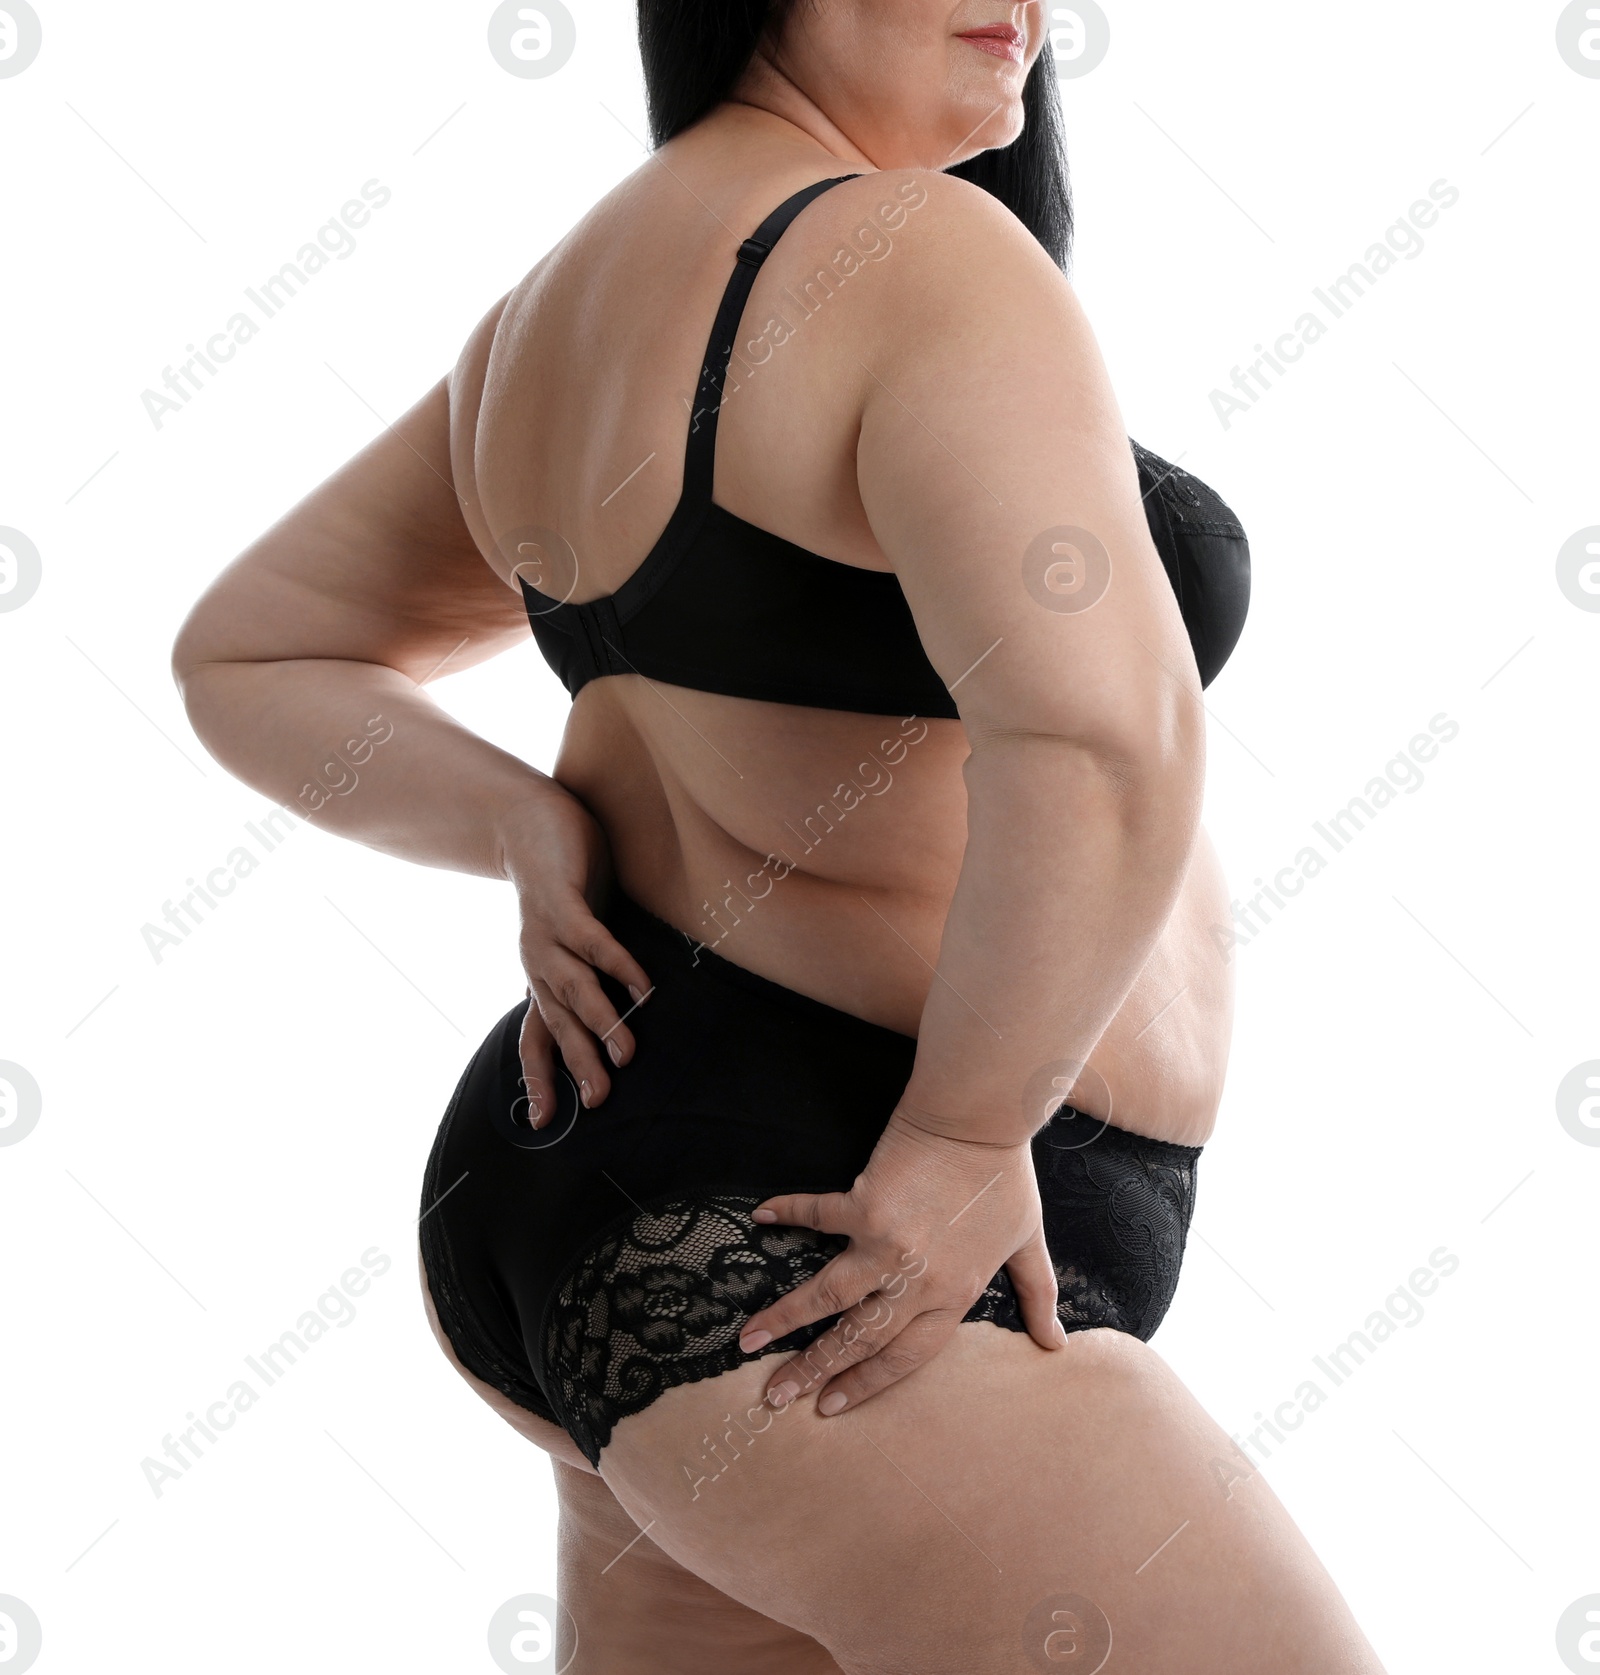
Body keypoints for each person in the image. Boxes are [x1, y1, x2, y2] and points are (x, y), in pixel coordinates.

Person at [172, 3, 1387, 1669]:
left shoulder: (550, 320)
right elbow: (1102, 743)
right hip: (827, 1219)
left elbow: (254, 652)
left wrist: (529, 824)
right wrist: (965, 1142)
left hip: (625, 1224)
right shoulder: (910, 253)